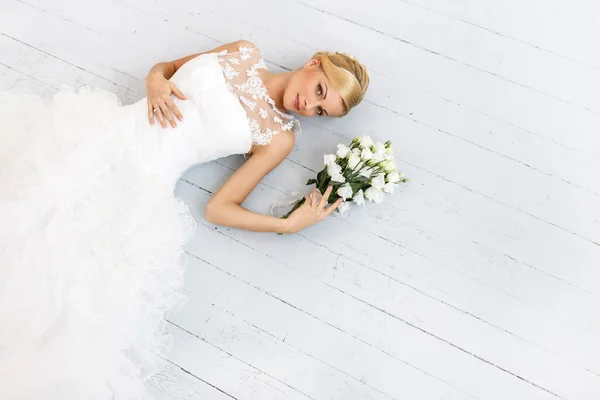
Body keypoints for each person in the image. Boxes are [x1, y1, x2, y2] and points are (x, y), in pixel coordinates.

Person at [0, 39, 369, 399]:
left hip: (138, 184)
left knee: (55, 275)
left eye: (321, 112)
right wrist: (154, 81)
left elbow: (219, 208)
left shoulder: (277, 138)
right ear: (313, 63)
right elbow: (168, 69)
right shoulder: (244, 51)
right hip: (101, 133)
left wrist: (287, 225)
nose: (309, 106)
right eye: (319, 91)